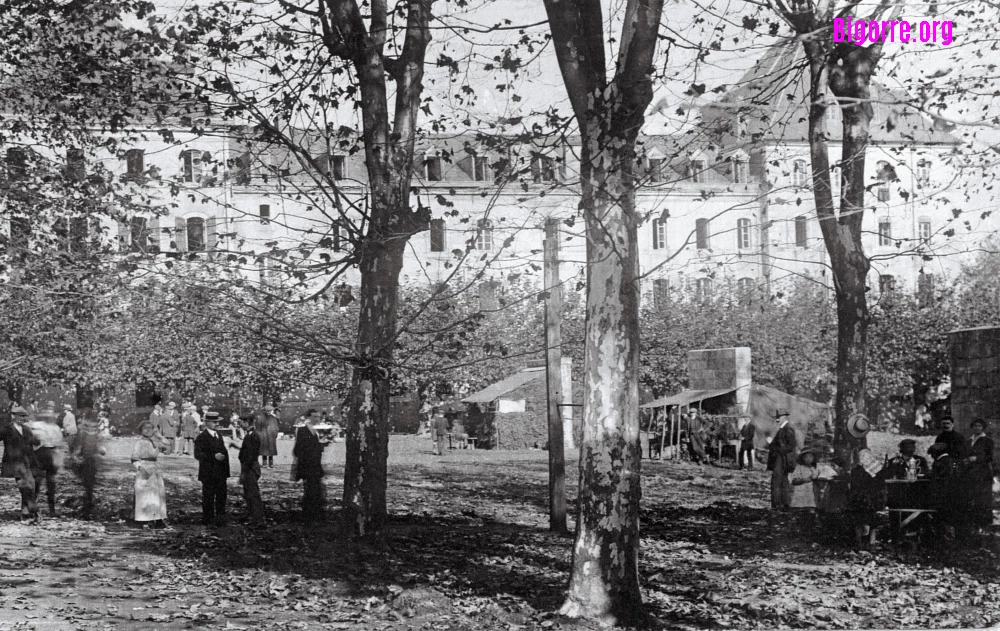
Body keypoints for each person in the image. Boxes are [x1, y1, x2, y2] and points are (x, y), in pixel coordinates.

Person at [0, 406, 40, 522]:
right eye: (20, 416)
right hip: (14, 463)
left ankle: (25, 513)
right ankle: (33, 510)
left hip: (27, 462)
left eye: (24, 417)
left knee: (31, 486)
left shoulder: (27, 429)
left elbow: (35, 442)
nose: (22, 419)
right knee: (25, 487)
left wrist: (40, 436)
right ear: (13, 416)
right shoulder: (6, 429)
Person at [26, 407, 65, 517]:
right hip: (40, 453)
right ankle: (32, 508)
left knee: (51, 482)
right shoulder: (37, 425)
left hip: (51, 453)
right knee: (37, 481)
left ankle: (51, 509)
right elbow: (29, 436)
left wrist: (59, 460)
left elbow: (59, 444)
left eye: (51, 416)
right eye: (47, 416)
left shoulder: (56, 428)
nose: (49, 418)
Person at [194, 411, 230, 527]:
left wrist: (226, 470)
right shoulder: (202, 437)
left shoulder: (218, 435)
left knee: (221, 496)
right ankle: (208, 519)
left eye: (217, 422)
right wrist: (213, 456)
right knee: (208, 497)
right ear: (207, 423)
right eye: (214, 422)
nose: (217, 424)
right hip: (208, 473)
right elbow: (198, 454)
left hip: (220, 473)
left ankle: (220, 518)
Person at [293, 408, 328, 520]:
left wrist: (322, 445)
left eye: (318, 417)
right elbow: (298, 449)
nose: (317, 419)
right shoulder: (302, 430)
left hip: (315, 465)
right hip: (307, 465)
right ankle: (309, 515)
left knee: (316, 490)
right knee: (310, 490)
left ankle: (316, 513)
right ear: (308, 417)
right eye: (314, 417)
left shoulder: (317, 431)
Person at [130, 421, 168, 528]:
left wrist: (159, 436)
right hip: (144, 467)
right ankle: (144, 520)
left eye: (150, 428)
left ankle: (158, 517)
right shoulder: (139, 443)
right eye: (145, 428)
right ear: (141, 430)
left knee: (157, 494)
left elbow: (167, 446)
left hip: (154, 467)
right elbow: (134, 458)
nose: (148, 430)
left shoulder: (155, 442)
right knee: (145, 494)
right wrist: (141, 469)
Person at [229, 416, 264, 525]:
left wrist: (244, 472)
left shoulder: (252, 435)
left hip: (250, 467)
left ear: (246, 422)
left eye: (241, 422)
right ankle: (252, 515)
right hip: (250, 466)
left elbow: (250, 455)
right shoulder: (251, 435)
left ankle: (257, 518)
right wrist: (237, 447)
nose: (239, 424)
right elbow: (248, 450)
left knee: (252, 493)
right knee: (249, 493)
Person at [962, 418, 995, 533]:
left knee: (982, 499)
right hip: (970, 473)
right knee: (971, 498)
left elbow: (990, 457)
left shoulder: (987, 441)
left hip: (982, 474)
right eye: (975, 426)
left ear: (983, 427)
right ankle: (973, 524)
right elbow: (965, 454)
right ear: (972, 427)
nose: (977, 428)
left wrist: (976, 458)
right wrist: (966, 460)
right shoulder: (968, 441)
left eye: (979, 426)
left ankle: (983, 525)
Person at [848, 448, 886, 547]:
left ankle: (871, 542)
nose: (863, 458)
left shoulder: (877, 468)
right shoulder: (856, 470)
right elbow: (855, 485)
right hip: (860, 498)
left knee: (872, 520)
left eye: (866, 455)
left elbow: (880, 483)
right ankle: (859, 542)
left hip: (872, 497)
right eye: (861, 456)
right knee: (858, 520)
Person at [73, 409, 105, 518]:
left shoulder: (88, 432)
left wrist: (101, 450)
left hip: (90, 461)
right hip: (88, 461)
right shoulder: (86, 433)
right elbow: (78, 448)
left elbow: (99, 446)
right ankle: (87, 506)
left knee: (88, 485)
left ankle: (87, 507)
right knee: (88, 485)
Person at [928, 442, 961, 538]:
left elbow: (937, 479)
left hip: (942, 496)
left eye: (932, 455)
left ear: (935, 454)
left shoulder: (940, 462)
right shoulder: (950, 460)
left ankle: (944, 533)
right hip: (952, 495)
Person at [766, 408, 796, 511]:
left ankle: (777, 505)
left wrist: (773, 445)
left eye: (779, 418)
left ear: (784, 417)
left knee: (777, 482)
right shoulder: (783, 429)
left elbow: (791, 446)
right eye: (776, 418)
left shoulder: (787, 429)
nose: (777, 420)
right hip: (780, 459)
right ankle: (784, 504)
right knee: (783, 482)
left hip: (782, 459)